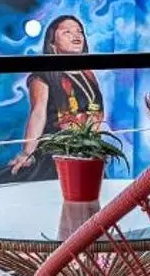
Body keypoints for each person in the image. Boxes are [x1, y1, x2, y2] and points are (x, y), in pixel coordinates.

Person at [7, 13, 104, 182]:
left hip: (87, 154)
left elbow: (96, 112)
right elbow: (38, 113)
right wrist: (27, 153)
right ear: (52, 43)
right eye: (67, 32)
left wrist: (95, 148)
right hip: (56, 154)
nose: (76, 36)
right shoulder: (44, 74)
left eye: (79, 31)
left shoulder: (88, 73)